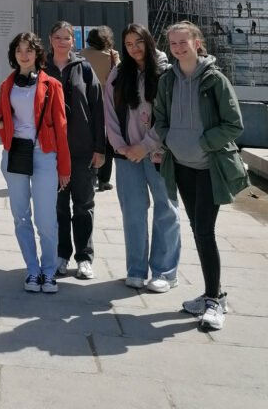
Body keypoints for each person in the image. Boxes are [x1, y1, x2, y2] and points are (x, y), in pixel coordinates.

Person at [154, 21, 248, 331]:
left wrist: (202, 143)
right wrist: (168, 140)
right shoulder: (168, 80)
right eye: (173, 44)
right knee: (197, 228)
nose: (178, 48)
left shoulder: (215, 80)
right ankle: (211, 292)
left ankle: (215, 299)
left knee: (205, 231)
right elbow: (160, 118)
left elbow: (234, 125)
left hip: (210, 169)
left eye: (184, 42)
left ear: (197, 43)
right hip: (181, 167)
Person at [104, 24, 180, 293]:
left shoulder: (166, 72)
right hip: (127, 157)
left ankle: (164, 272)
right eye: (128, 44)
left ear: (149, 41)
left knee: (166, 211)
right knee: (133, 213)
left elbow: (170, 115)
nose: (134, 48)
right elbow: (110, 113)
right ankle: (136, 269)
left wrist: (146, 145)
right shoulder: (118, 73)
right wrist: (121, 146)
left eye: (139, 42)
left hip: (159, 153)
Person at [0, 31, 70, 294]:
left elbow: (61, 128)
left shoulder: (52, 85)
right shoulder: (7, 84)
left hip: (44, 154)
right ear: (14, 55)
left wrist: (65, 168)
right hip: (15, 153)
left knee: (46, 218)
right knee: (20, 215)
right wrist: (2, 127)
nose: (23, 55)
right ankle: (32, 269)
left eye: (28, 50)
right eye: (18, 50)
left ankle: (49, 271)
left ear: (38, 53)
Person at [45, 21, 105, 279]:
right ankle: (61, 254)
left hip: (81, 150)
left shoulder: (85, 69)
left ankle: (84, 257)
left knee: (83, 204)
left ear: (73, 41)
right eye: (57, 37)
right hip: (51, 152)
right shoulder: (41, 68)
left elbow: (98, 109)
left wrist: (100, 148)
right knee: (57, 207)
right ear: (50, 40)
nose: (61, 41)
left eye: (66, 37)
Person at [83, 26, 119, 191]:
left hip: (86, 104)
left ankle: (90, 175)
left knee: (88, 141)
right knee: (107, 144)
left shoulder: (81, 55)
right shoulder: (112, 55)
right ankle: (104, 179)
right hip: (108, 105)